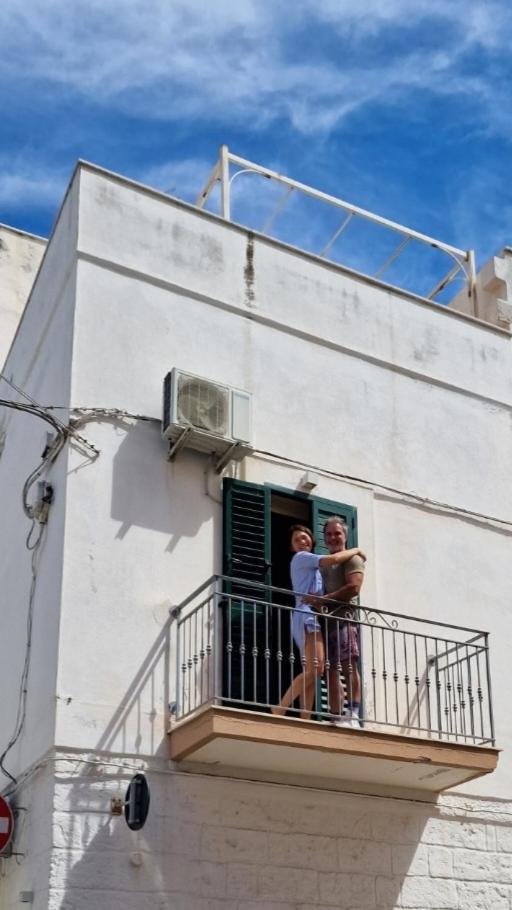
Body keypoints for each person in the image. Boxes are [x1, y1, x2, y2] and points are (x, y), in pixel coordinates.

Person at [272, 524, 366, 720]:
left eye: (305, 537)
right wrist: (356, 549)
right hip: (307, 615)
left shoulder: (313, 565)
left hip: (309, 616)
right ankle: (279, 708)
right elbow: (334, 558)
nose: (302, 541)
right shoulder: (302, 558)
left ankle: (305, 717)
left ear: (312, 540)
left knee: (312, 672)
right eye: (297, 539)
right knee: (316, 668)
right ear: (292, 547)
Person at [307, 516, 365, 728]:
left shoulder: (353, 560)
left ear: (345, 536)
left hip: (344, 619)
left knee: (348, 665)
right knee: (330, 669)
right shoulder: (326, 564)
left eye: (337, 533)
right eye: (329, 534)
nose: (333, 537)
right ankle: (336, 715)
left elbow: (353, 588)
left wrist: (323, 600)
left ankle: (354, 714)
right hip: (326, 622)